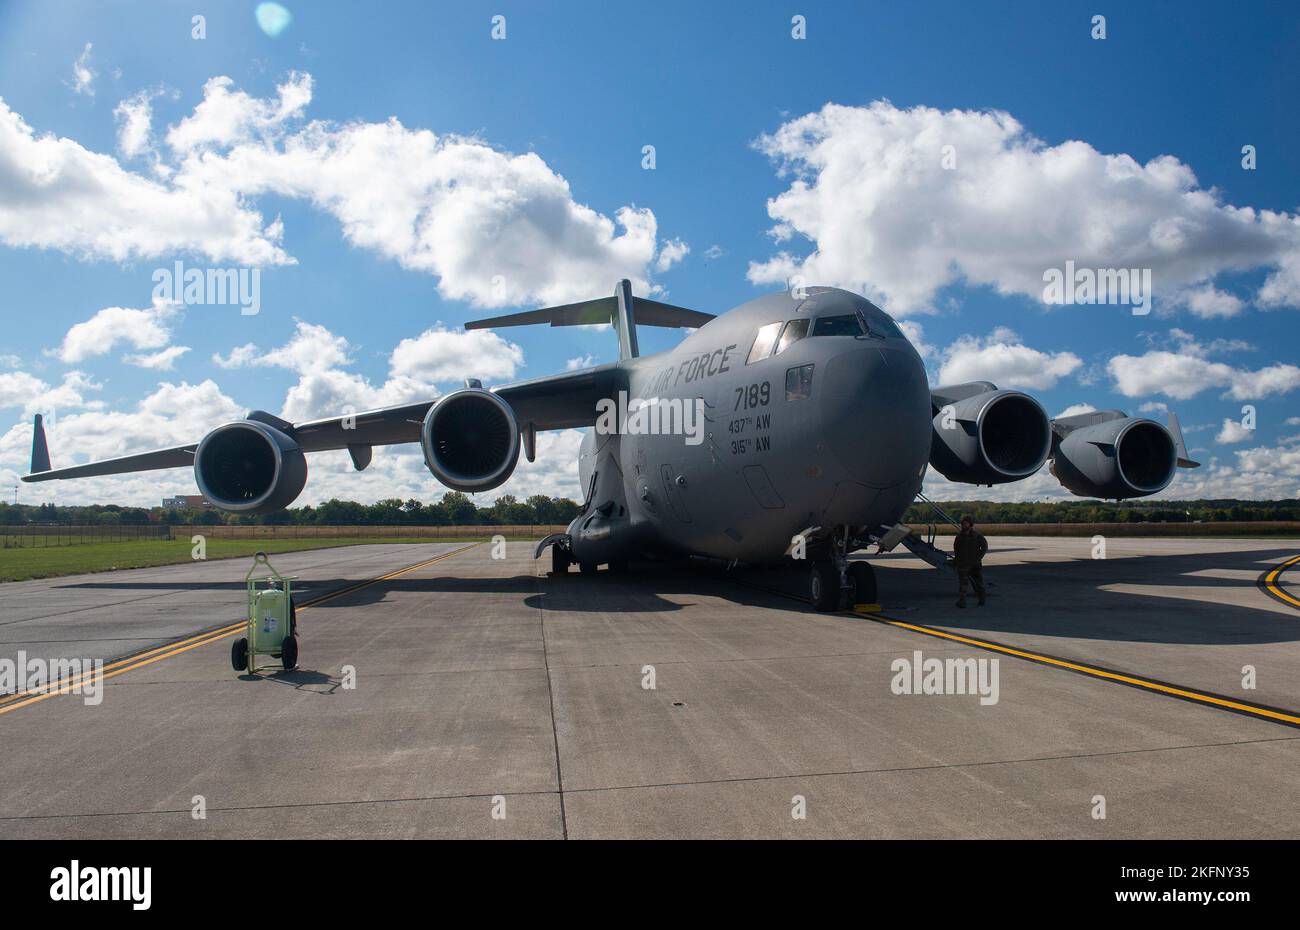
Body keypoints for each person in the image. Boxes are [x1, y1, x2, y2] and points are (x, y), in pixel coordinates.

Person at [952, 516, 988, 608]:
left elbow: (984, 547)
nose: (964, 525)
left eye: (966, 523)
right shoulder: (959, 537)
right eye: (963, 524)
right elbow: (956, 549)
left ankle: (982, 599)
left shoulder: (977, 536)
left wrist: (978, 557)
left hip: (974, 564)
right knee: (963, 585)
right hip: (963, 564)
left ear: (970, 524)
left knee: (978, 583)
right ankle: (962, 602)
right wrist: (957, 559)